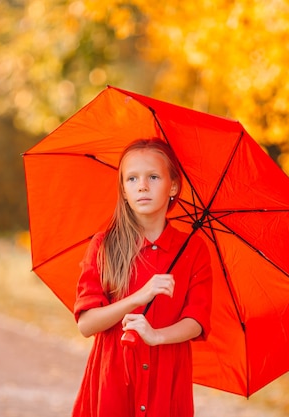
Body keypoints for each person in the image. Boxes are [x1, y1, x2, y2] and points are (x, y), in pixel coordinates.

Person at [72, 138, 213, 417]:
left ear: (173, 186)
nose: (142, 186)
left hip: (167, 378)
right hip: (113, 377)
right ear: (123, 190)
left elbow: (197, 321)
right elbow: (87, 324)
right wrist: (138, 297)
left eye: (153, 177)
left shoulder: (194, 250)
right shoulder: (104, 245)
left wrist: (156, 336)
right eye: (132, 178)